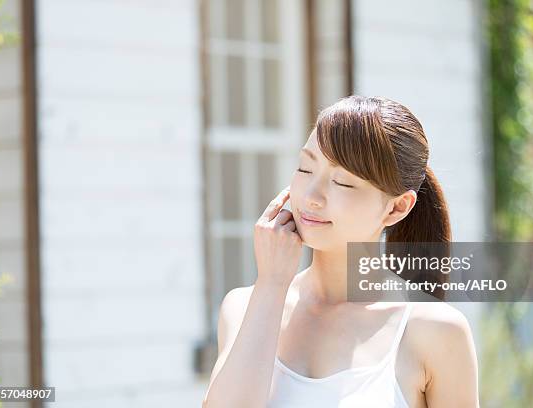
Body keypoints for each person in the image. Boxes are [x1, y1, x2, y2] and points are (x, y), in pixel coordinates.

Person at [202, 96, 480, 407]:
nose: (311, 196)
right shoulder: (243, 308)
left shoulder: (433, 330)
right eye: (305, 168)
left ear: (397, 207)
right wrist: (271, 284)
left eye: (342, 182)